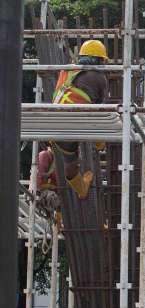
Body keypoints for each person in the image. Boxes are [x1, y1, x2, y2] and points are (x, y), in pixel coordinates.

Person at [38, 39, 109, 199]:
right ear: (98, 59)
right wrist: (100, 142)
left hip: (53, 121)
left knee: (70, 160)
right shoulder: (98, 77)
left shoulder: (67, 70)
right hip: (73, 121)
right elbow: (101, 110)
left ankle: (81, 189)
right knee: (99, 119)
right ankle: (99, 144)